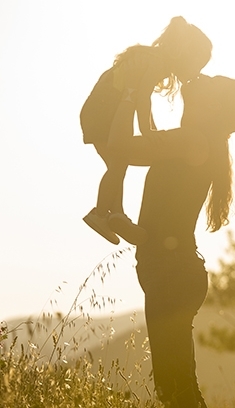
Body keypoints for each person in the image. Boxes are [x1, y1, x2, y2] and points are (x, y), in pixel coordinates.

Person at [107, 60, 235, 408]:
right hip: (173, 270)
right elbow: (148, 139)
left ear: (212, 107)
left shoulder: (191, 140)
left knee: (175, 385)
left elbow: (119, 148)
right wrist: (144, 99)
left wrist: (130, 94)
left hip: (170, 274)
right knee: (176, 383)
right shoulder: (194, 141)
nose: (197, 82)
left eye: (207, 86)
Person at [80, 17, 212, 245]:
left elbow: (143, 98)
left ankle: (117, 214)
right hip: (102, 113)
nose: (196, 73)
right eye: (197, 65)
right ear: (186, 55)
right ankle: (100, 214)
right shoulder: (158, 62)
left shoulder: (154, 59)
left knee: (117, 164)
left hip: (101, 109)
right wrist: (146, 130)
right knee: (117, 164)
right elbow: (141, 98)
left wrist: (150, 128)